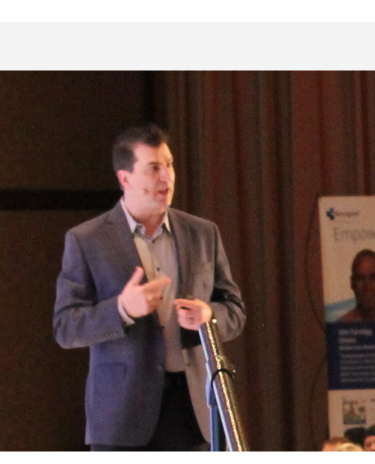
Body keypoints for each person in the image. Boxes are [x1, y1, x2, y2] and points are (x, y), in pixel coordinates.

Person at [53, 124, 246, 452]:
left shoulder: (203, 233)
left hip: (192, 410)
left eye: (169, 165)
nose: (166, 177)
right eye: (154, 168)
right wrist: (122, 309)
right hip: (122, 418)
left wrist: (208, 316)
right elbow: (66, 327)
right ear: (125, 178)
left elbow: (235, 311)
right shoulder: (88, 240)